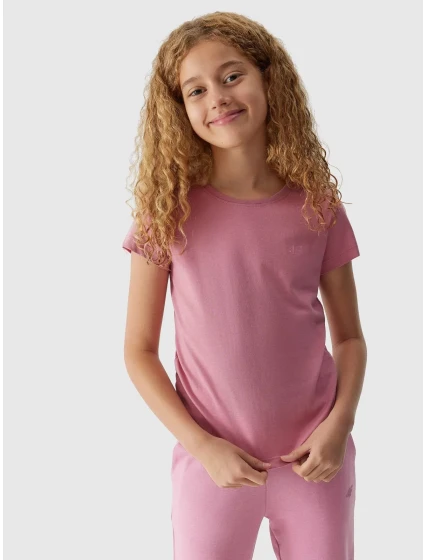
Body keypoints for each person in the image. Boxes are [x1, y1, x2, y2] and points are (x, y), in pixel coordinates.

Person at [122, 11, 367, 560]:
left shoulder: (317, 208)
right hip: (213, 466)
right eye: (196, 90)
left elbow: (350, 337)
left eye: (232, 76)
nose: (218, 98)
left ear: (268, 79)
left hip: (316, 462)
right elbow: (138, 350)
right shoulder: (167, 214)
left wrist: (339, 426)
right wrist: (202, 446)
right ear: (180, 109)